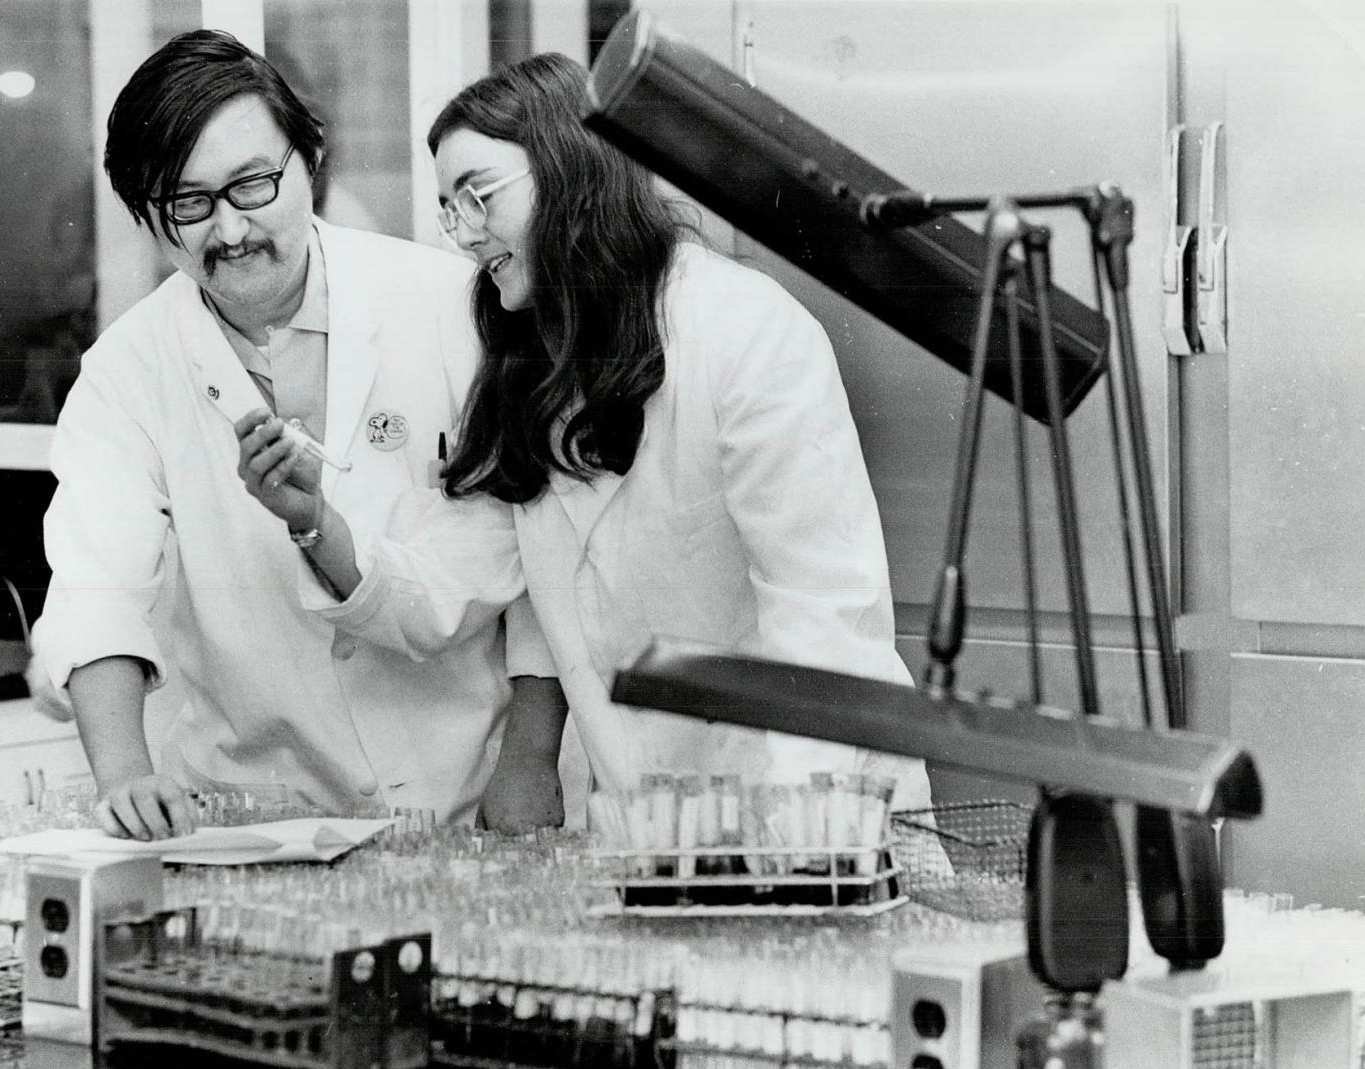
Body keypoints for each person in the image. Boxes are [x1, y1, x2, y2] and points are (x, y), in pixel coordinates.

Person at [236, 53, 930, 826]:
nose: (463, 232)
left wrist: (794, 848)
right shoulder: (534, 373)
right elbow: (457, 581)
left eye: (479, 195)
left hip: (818, 809)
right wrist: (315, 521)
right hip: (651, 827)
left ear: (573, 172)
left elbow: (821, 623)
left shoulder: (744, 333)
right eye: (447, 207)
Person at [32, 30, 547, 840]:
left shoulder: (449, 306)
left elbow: (538, 553)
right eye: (188, 205)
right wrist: (126, 776)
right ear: (149, 219)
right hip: (251, 812)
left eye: (254, 186)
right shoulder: (126, 373)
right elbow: (98, 585)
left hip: (464, 794)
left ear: (311, 159)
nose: (230, 232)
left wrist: (532, 758)